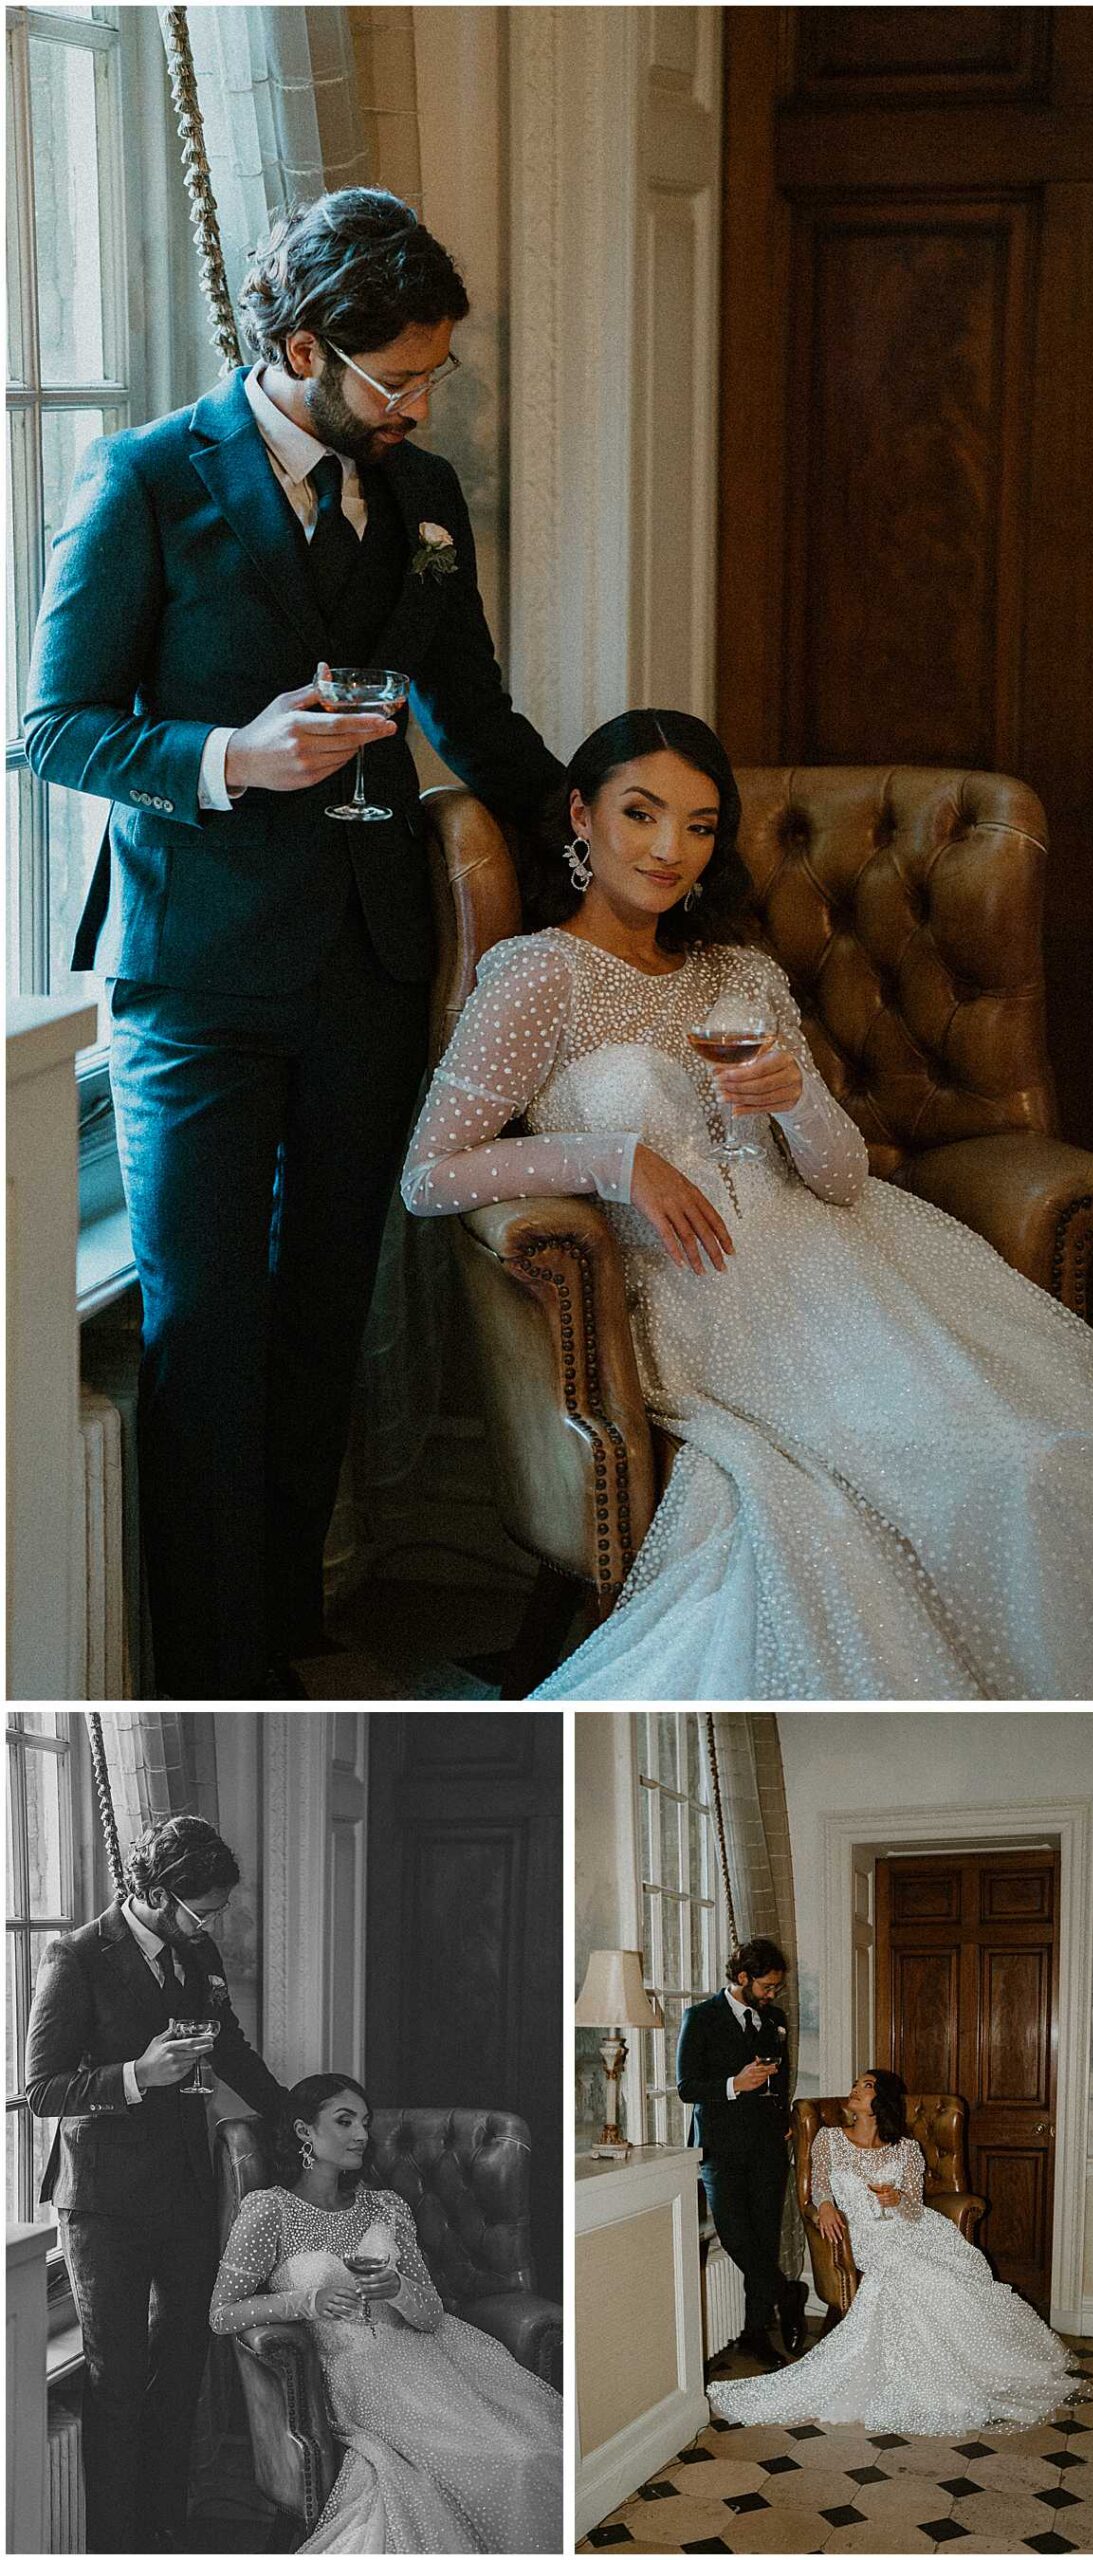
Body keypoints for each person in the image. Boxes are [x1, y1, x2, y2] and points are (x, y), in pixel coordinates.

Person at [23, 187, 562, 1702]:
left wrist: (582, 825)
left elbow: (473, 712)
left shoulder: (427, 494)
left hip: (372, 961)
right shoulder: (144, 479)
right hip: (194, 975)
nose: (419, 404)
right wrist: (231, 759)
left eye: (436, 375)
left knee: (328, 1309)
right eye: (396, 377)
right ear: (302, 344)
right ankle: (214, 1679)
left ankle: (293, 1640)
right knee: (203, 1329)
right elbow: (51, 729)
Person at [400, 707, 1093, 1700]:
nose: (668, 850)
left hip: (855, 1265)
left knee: (1044, 1459)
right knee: (949, 1478)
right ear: (580, 815)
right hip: (713, 1300)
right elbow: (430, 1172)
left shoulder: (736, 970)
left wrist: (798, 1097)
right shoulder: (538, 976)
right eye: (641, 814)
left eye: (698, 827)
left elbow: (836, 1177)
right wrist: (615, 1159)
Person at [24, 1814, 287, 2555]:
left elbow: (228, 2043)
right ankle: (117, 2542)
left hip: (183, 2189)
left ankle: (167, 2528)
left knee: (181, 2373)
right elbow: (42, 2089)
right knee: (116, 2380)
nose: (215, 1926)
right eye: (204, 1911)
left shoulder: (196, 1948)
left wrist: (290, 2110)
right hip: (102, 2205)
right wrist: (140, 2074)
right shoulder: (74, 1957)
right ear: (162, 1895)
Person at [210, 2073, 562, 2553]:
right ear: (303, 2132)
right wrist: (306, 2302)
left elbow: (431, 2315)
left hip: (439, 2362)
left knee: (533, 2452)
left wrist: (397, 2288)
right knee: (498, 2462)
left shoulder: (387, 2206)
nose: (361, 2134)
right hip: (362, 2378)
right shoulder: (269, 2210)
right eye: (344, 2121)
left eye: (365, 2122)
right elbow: (222, 2313)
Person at [708, 2069, 1085, 2433]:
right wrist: (824, 2206)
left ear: (881, 2101)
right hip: (868, 2236)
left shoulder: (906, 2149)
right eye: (856, 2084)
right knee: (919, 2276)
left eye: (866, 2086)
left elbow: (914, 2208)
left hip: (914, 2229)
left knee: (948, 2276)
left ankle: (980, 2366)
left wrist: (897, 2197)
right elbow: (818, 2186)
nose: (855, 2089)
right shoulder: (828, 2139)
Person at [676, 1940, 808, 2368]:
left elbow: (781, 2075)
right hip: (720, 2147)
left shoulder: (776, 2019)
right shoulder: (700, 2018)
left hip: (769, 2146)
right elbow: (687, 2088)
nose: (773, 1995)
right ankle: (788, 2292)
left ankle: (756, 2333)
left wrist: (783, 2115)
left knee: (764, 2240)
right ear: (743, 1978)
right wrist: (735, 2083)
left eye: (777, 1988)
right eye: (767, 1986)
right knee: (734, 2234)